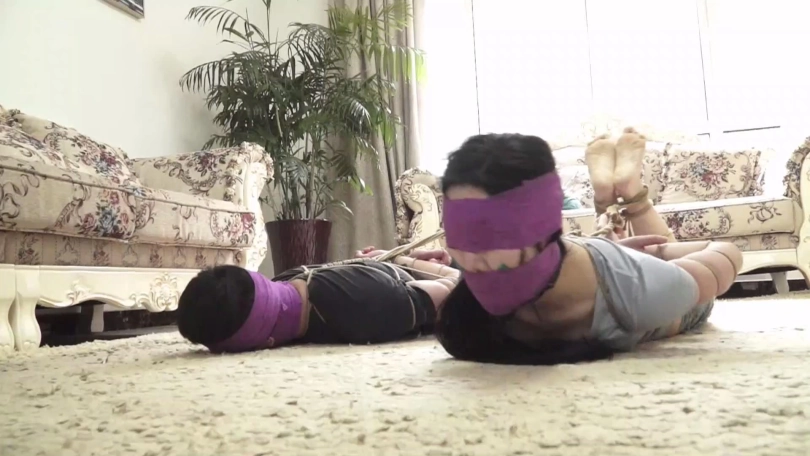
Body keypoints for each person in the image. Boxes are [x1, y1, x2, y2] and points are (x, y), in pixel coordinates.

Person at [434, 128, 743, 365]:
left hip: (652, 285)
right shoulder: (473, 301)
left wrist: (650, 256)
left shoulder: (642, 293)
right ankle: (616, 197)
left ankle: (631, 194)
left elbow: (728, 253)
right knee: (626, 249)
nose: (470, 258)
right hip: (586, 254)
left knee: (660, 248)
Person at [177, 249, 458, 353]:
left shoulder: (368, 304)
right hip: (418, 273)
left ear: (266, 343)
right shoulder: (287, 278)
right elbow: (452, 286)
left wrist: (402, 257)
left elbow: (455, 286)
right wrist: (402, 259)